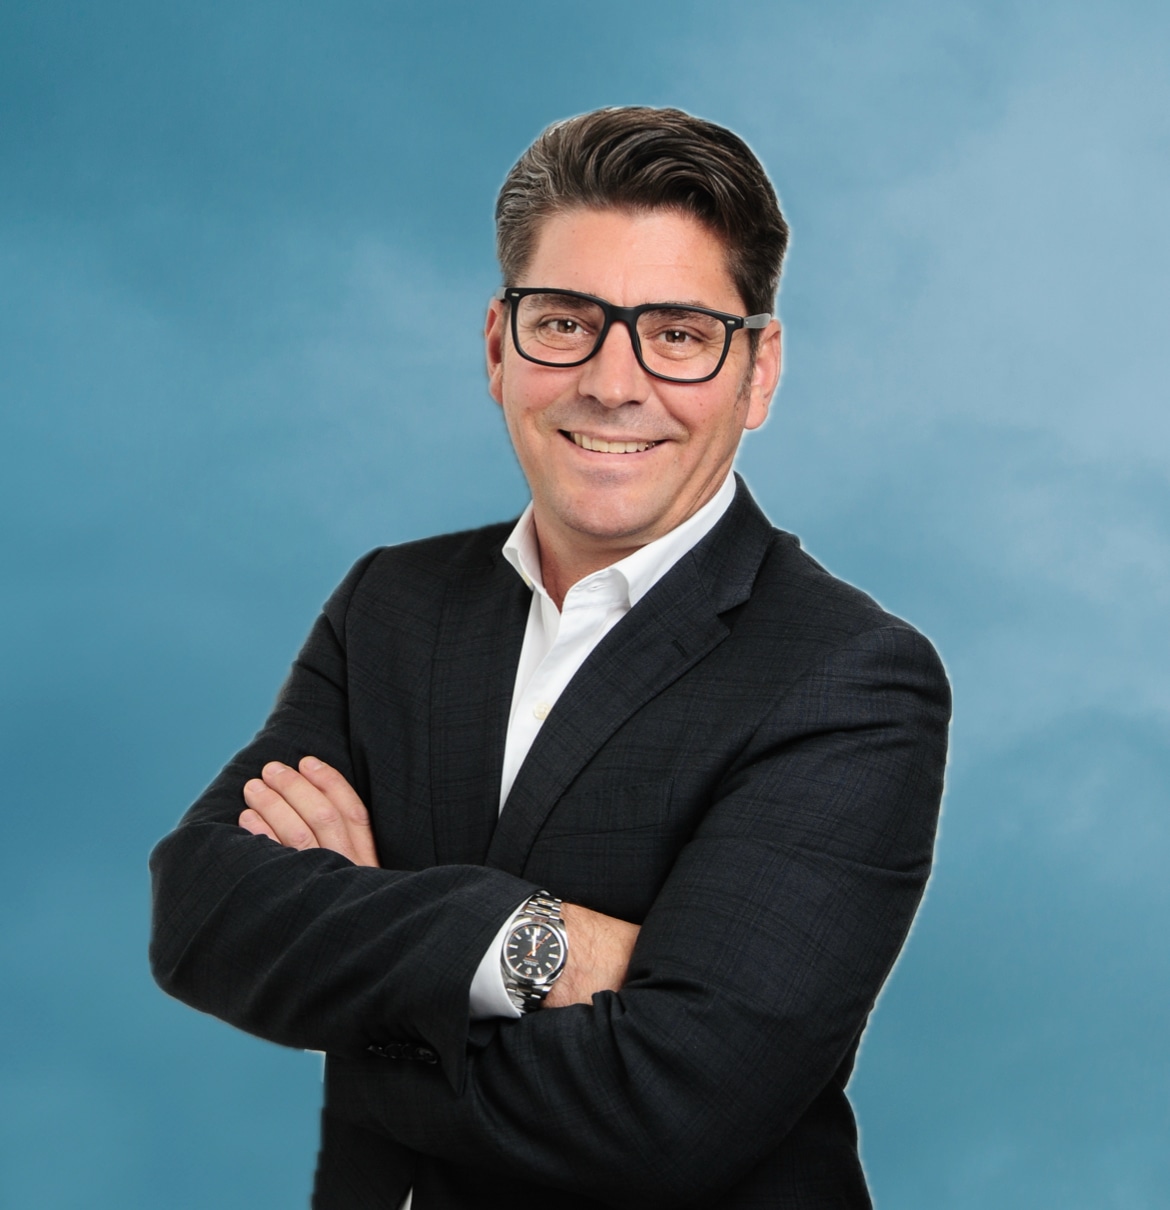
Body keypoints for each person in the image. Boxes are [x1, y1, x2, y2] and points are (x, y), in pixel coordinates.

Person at [149, 106, 950, 1209]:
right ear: (498, 345)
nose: (613, 383)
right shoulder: (391, 605)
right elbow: (200, 913)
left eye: (677, 334)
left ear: (757, 373)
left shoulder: (851, 678)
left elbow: (669, 1113)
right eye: (567, 321)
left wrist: (358, 978)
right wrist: (536, 941)